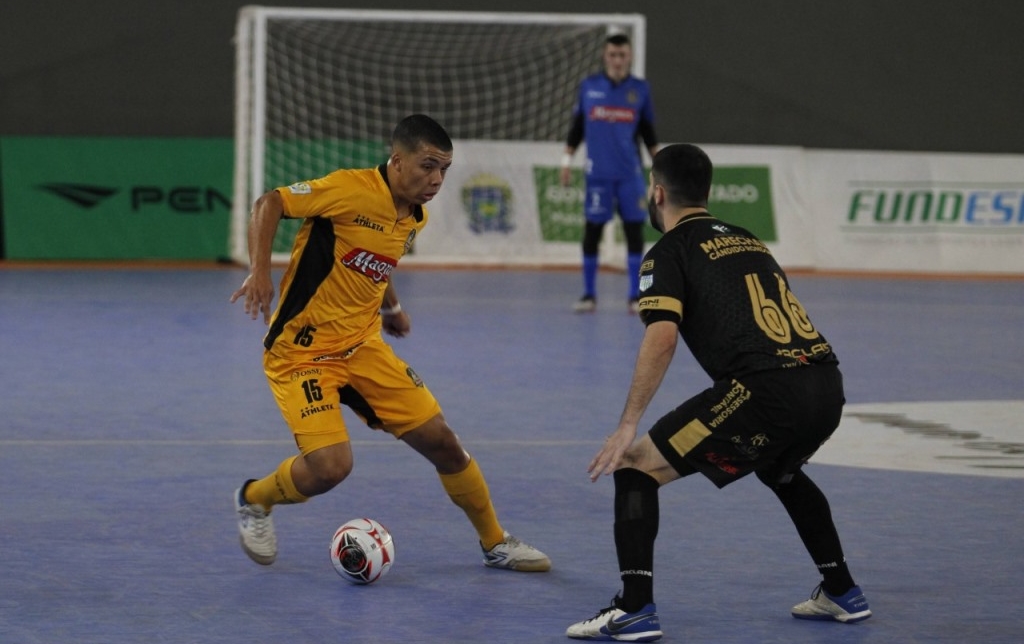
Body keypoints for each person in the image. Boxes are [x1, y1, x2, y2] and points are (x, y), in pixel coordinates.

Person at [565, 144, 870, 641]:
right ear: (706, 192)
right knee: (782, 470)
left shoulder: (668, 250)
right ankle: (842, 590)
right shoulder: (749, 239)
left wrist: (628, 425)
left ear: (658, 193)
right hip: (825, 383)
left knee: (635, 468)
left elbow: (661, 335)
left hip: (765, 389)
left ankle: (635, 608)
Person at [229, 114, 550, 574]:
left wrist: (390, 308)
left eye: (444, 169)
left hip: (363, 348)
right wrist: (259, 270)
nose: (436, 179)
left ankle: (495, 543)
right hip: (302, 354)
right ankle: (253, 499)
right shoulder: (349, 189)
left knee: (443, 443)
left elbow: (378, 260)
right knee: (331, 468)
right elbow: (269, 203)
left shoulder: (415, 214)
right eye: (427, 166)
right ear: (397, 161)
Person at [560, 33, 659, 314]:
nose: (617, 60)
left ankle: (634, 296)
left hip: (629, 175)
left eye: (622, 55)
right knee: (592, 230)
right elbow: (577, 128)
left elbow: (648, 132)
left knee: (634, 232)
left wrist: (660, 169)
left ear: (630, 57)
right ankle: (589, 294)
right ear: (605, 56)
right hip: (598, 176)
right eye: (612, 55)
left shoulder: (640, 90)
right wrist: (565, 161)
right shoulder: (589, 87)